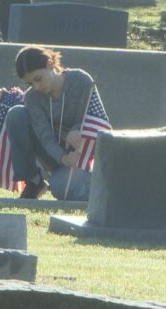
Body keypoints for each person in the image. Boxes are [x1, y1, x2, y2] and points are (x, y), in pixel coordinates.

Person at [6, 46, 98, 201]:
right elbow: (45, 136)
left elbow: (95, 118)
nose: (36, 87)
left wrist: (77, 131)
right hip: (56, 156)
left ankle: (96, 188)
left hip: (84, 156)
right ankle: (33, 182)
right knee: (16, 114)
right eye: (29, 83)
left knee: (59, 187)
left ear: (50, 64)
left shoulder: (81, 80)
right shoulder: (32, 98)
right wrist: (62, 158)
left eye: (38, 79)